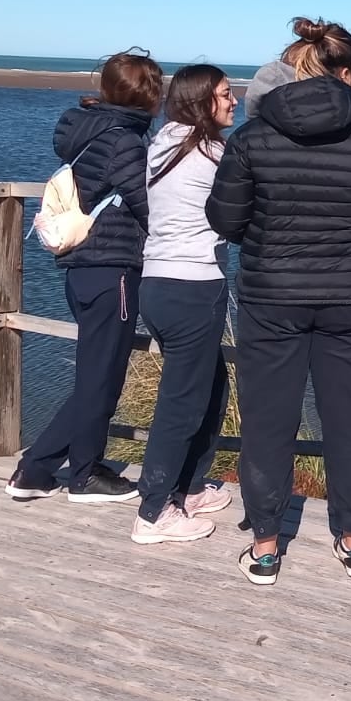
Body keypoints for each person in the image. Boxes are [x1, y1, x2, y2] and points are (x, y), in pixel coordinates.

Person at [208, 17, 351, 585]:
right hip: (350, 300)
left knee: (267, 422)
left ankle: (266, 545)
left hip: (270, 298)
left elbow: (224, 219)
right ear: (349, 72)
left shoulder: (251, 138)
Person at [7, 49, 164, 504]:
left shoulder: (89, 132)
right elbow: (147, 206)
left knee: (97, 373)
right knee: (102, 377)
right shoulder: (125, 141)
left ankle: (37, 470)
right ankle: (83, 474)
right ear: (148, 94)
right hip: (112, 269)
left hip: (84, 269)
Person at [130, 64, 240, 545]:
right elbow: (241, 209)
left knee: (211, 385)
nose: (234, 101)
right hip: (193, 286)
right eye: (225, 94)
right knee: (182, 403)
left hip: (157, 283)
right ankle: (153, 512)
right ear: (202, 103)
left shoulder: (163, 143)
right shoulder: (210, 154)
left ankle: (190, 487)